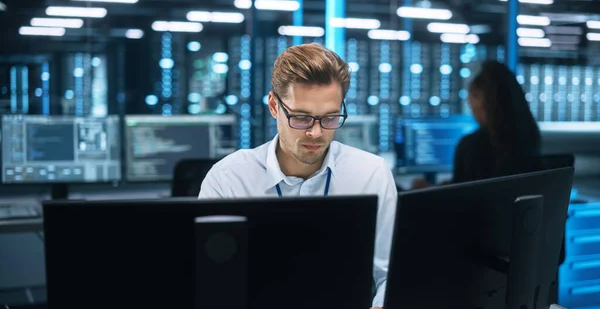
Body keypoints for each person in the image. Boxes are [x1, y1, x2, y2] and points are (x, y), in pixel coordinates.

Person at [199, 43, 397, 309]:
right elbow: (208, 283)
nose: (316, 133)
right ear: (273, 106)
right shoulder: (229, 178)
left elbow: (391, 273)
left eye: (330, 118)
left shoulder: (370, 173)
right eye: (302, 118)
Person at [412, 60, 541, 188]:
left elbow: (460, 202)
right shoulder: (529, 138)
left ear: (482, 101)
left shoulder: (471, 146)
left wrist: (428, 190)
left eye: (471, 101)